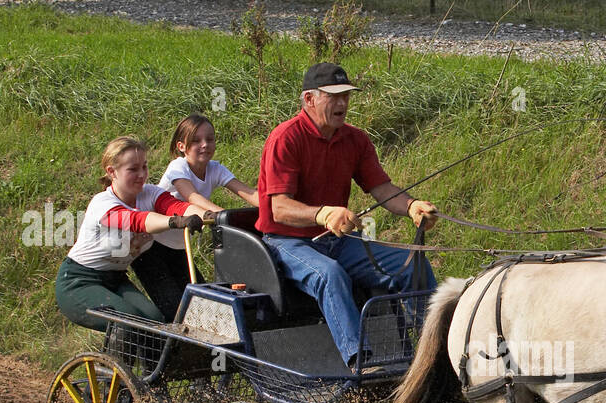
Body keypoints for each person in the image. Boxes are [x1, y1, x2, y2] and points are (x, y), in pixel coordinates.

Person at [256, 62, 439, 371]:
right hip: (285, 241)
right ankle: (361, 362)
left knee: (414, 264)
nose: (342, 103)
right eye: (334, 96)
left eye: (346, 96)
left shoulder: (356, 140)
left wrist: (411, 207)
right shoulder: (285, 138)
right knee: (330, 275)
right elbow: (279, 208)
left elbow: (380, 188)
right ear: (309, 99)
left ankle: (434, 350)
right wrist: (323, 213)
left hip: (336, 240)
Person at [56, 135, 210, 332]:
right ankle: (115, 363)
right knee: (130, 323)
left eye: (144, 167)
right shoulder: (102, 204)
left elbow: (177, 206)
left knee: (155, 323)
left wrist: (211, 216)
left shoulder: (150, 193)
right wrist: (175, 221)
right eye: (133, 169)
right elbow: (138, 221)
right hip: (78, 282)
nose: (141, 174)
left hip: (116, 279)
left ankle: (137, 364)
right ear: (112, 172)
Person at [133, 114, 260, 320]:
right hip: (151, 246)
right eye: (196, 140)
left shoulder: (215, 168)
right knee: (176, 309)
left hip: (179, 247)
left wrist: (276, 208)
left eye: (209, 139)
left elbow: (248, 192)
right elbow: (192, 197)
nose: (204, 145)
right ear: (182, 146)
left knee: (202, 307)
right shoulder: (178, 167)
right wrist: (224, 217)